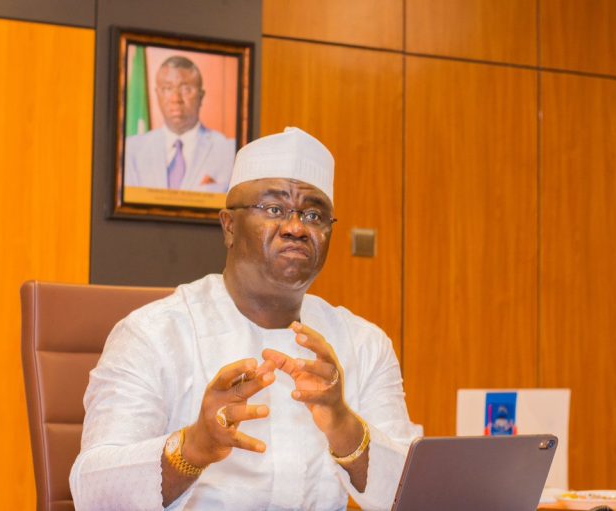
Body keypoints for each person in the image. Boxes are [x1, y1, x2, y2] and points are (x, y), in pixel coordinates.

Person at [71, 127, 421, 510]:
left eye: (314, 214)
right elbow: (92, 492)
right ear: (229, 226)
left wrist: (343, 424)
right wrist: (193, 447)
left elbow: (414, 493)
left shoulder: (364, 344)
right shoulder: (153, 334)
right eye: (274, 210)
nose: (296, 228)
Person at [123, 55, 236, 193]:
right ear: (157, 94)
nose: (176, 99)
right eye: (167, 89)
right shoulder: (131, 150)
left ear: (201, 96)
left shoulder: (229, 151)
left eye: (186, 89)